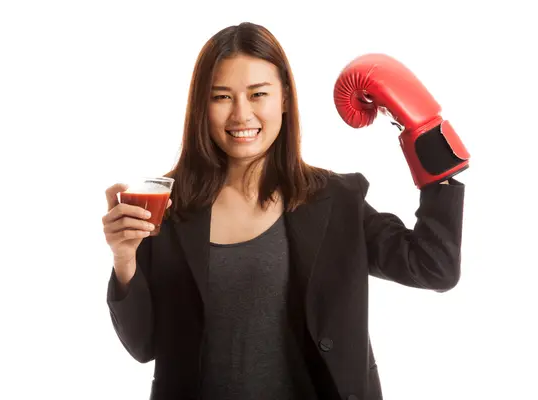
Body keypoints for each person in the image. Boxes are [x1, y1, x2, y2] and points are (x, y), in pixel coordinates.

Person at [102, 22, 467, 400]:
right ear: (201, 104)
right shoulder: (168, 206)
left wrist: (425, 134)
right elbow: (143, 346)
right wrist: (124, 260)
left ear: (285, 98)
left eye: (258, 93)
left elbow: (434, 267)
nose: (241, 115)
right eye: (221, 97)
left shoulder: (337, 200)